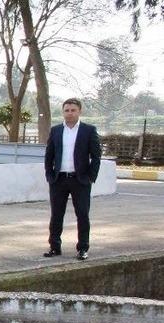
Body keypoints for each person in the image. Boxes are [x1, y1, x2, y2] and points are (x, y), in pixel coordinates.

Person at [43, 98, 101, 261]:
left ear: (79, 111)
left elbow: (96, 156)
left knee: (82, 214)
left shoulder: (88, 130)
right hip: (59, 180)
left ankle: (83, 248)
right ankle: (54, 247)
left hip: (80, 180)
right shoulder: (56, 130)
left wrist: (91, 176)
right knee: (56, 215)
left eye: (73, 110)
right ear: (63, 112)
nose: (69, 113)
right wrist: (49, 174)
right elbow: (49, 155)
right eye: (67, 110)